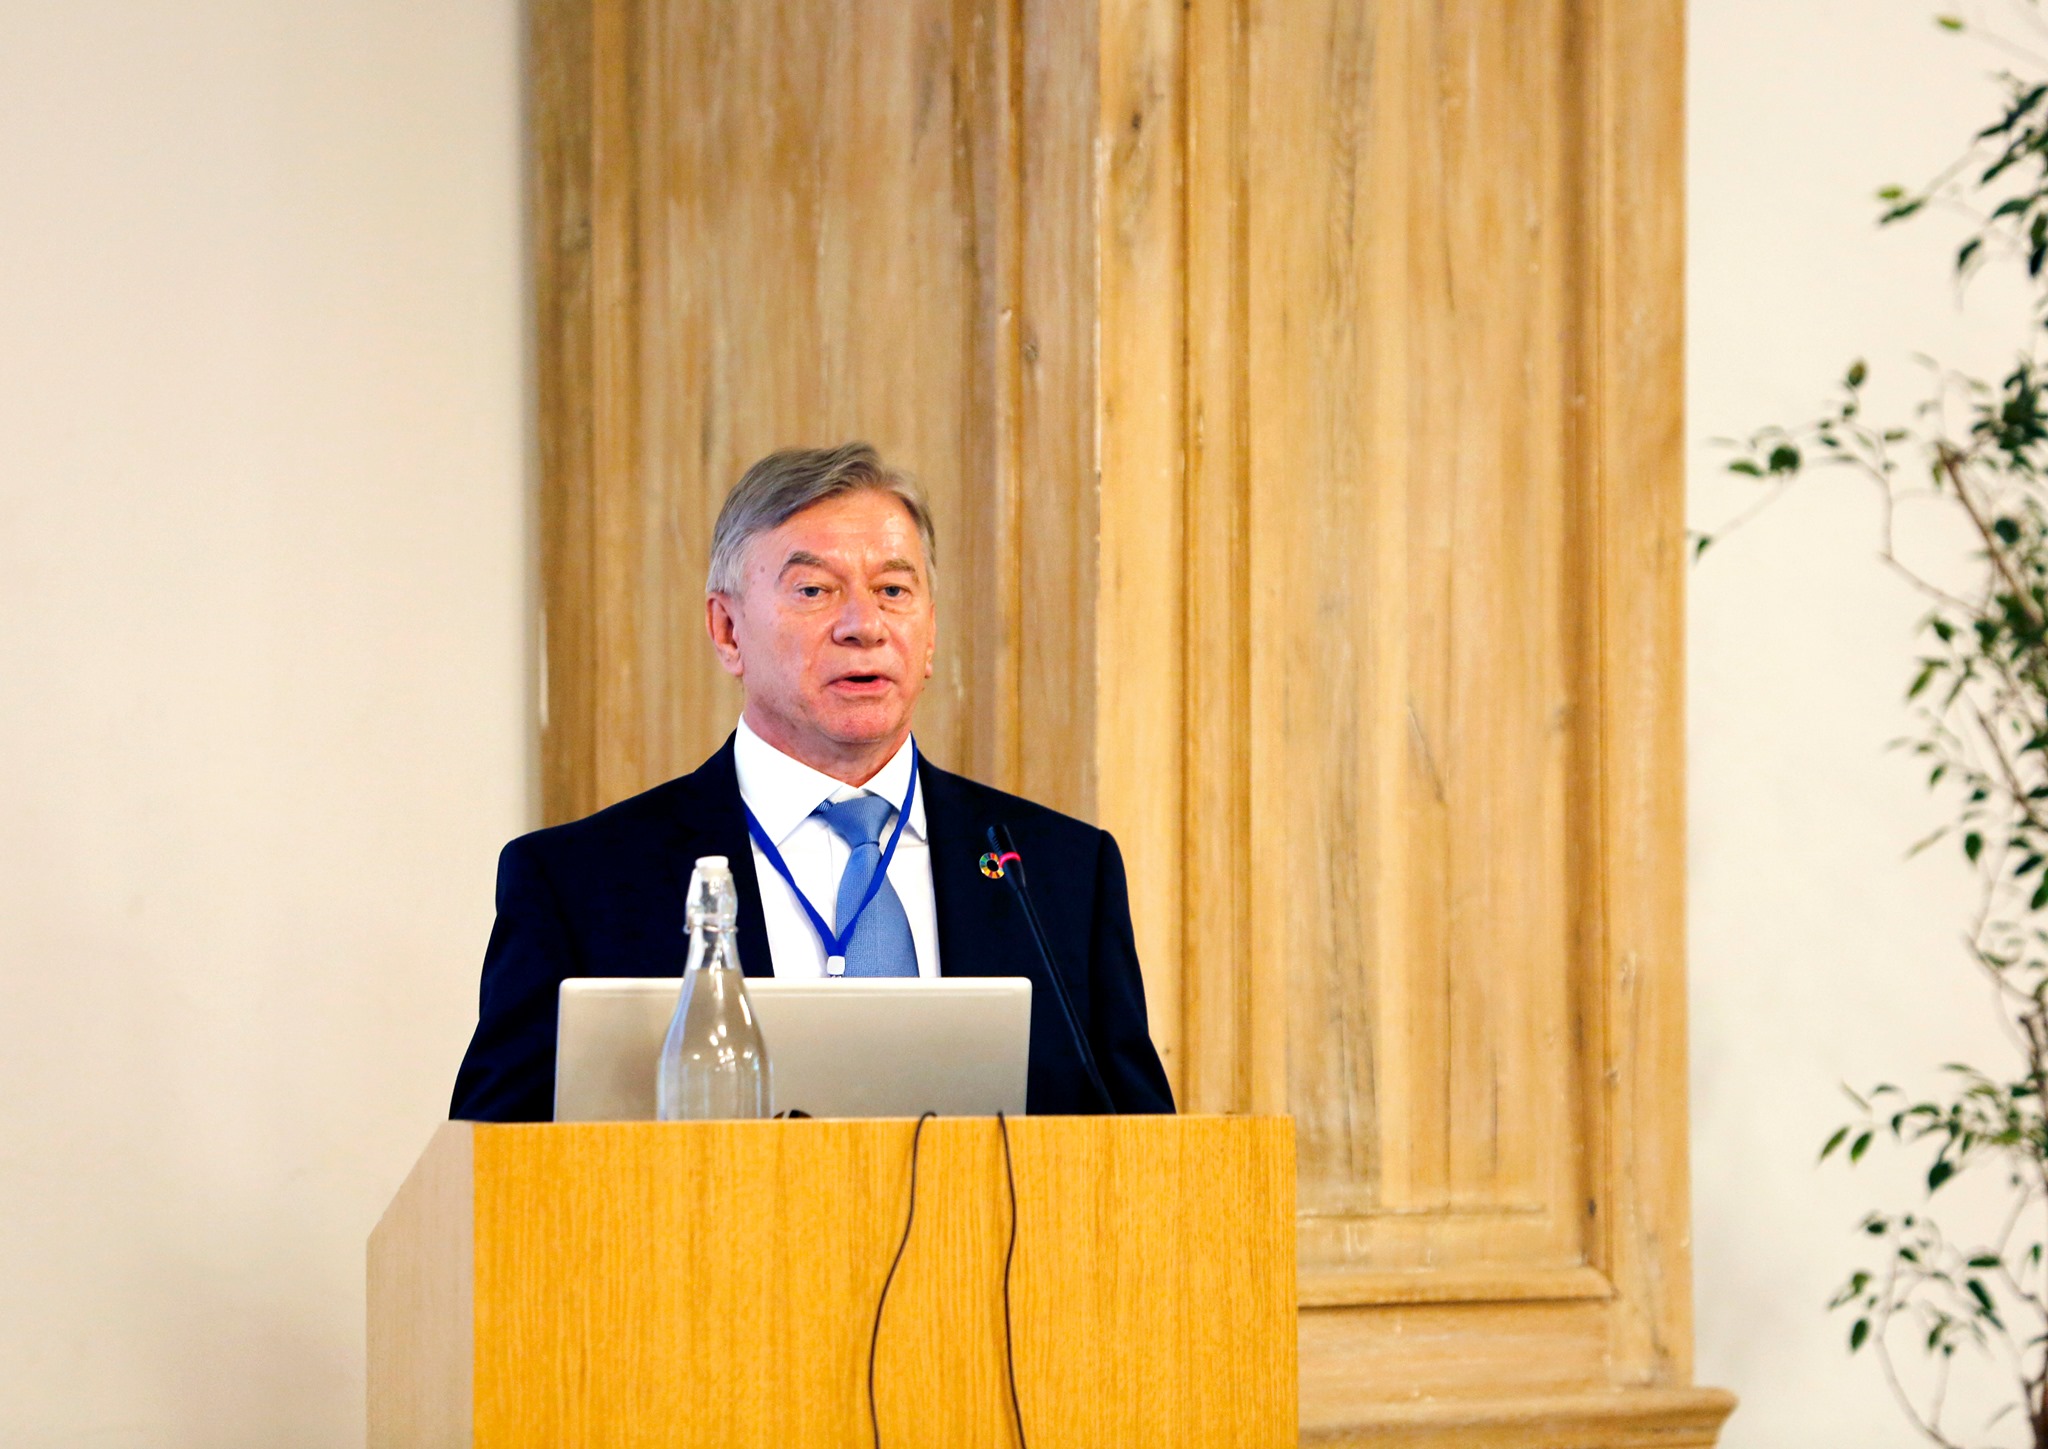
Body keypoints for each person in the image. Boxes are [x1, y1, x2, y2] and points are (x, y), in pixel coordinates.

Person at [450, 442, 1175, 1120]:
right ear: (728, 630)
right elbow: (489, 1167)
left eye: (894, 589)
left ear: (929, 633)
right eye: (815, 590)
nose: (865, 625)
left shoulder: (1056, 876)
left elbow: (1141, 1154)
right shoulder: (580, 885)